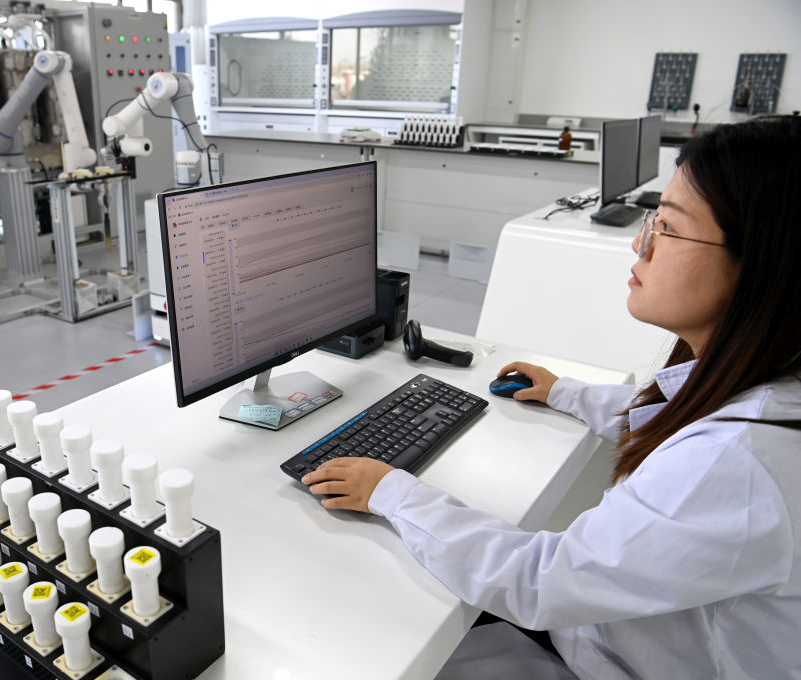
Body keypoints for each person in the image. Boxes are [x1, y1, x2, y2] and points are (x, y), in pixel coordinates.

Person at [302, 115, 801, 680]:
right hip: (610, 635)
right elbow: (680, 416)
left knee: (362, 637)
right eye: (653, 220)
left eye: (669, 227)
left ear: (765, 264)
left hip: (602, 662)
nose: (641, 244)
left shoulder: (736, 465)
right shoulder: (773, 389)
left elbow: (537, 581)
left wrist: (391, 491)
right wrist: (565, 392)